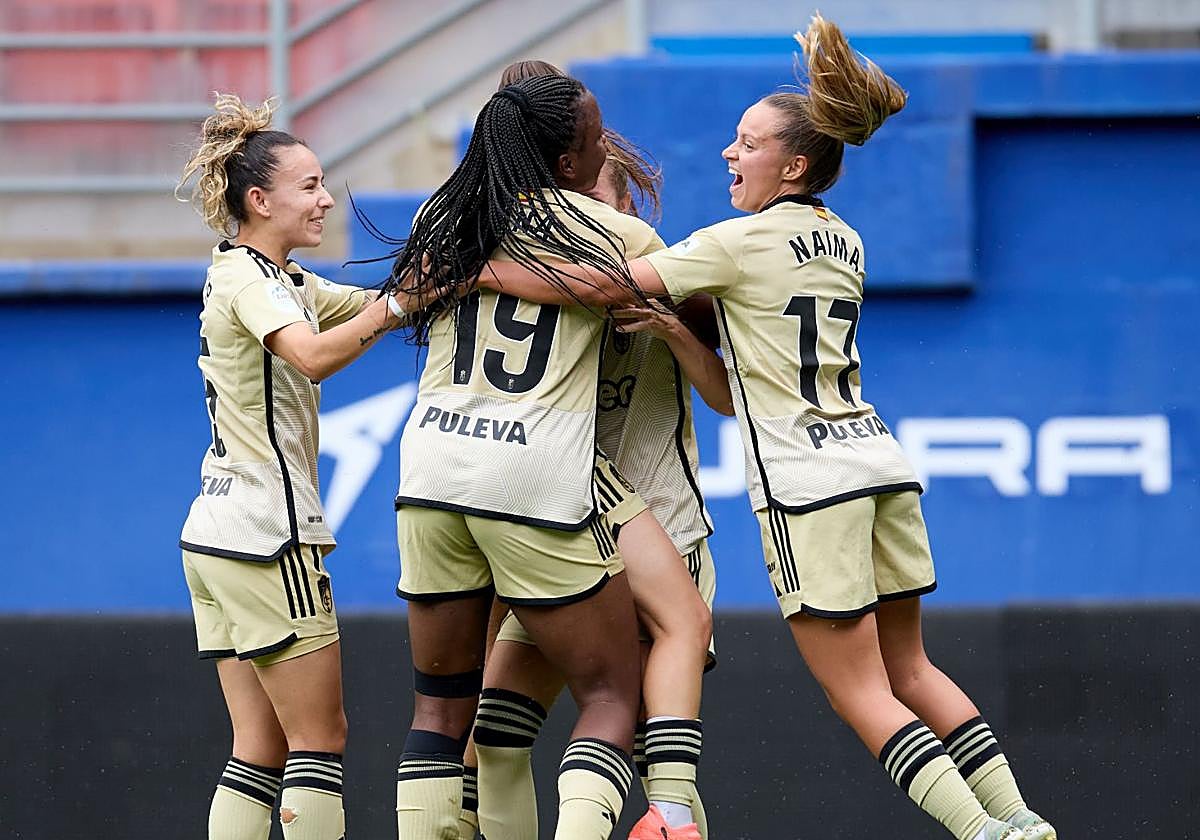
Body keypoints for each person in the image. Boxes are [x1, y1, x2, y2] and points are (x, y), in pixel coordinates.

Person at [461, 16, 1057, 840]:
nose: (728, 154)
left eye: (747, 144)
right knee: (912, 668)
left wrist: (477, 269)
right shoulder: (844, 240)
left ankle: (983, 832)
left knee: (859, 689)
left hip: (809, 485)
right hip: (878, 463)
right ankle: (1019, 817)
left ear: (795, 164)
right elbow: (733, 390)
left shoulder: (735, 244)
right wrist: (679, 335)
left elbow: (603, 283)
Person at [384, 73, 652, 840]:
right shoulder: (615, 233)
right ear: (567, 163)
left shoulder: (442, 216)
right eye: (595, 142)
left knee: (439, 712)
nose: (604, 151)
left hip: (430, 469)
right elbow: (675, 300)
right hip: (530, 475)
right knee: (612, 694)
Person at [463, 110, 730, 840]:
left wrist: (677, 330)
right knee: (498, 732)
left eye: (599, 202)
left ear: (626, 205)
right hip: (564, 519)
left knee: (653, 755)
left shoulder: (664, 271)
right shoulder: (535, 281)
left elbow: (727, 394)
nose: (584, 218)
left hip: (663, 527)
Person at [176, 94, 410, 840]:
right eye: (309, 186)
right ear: (259, 200)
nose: (326, 199)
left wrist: (439, 282)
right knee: (319, 737)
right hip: (267, 533)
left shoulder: (277, 278)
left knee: (259, 746)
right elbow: (311, 355)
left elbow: (373, 304)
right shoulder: (253, 282)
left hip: (216, 533)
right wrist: (398, 308)